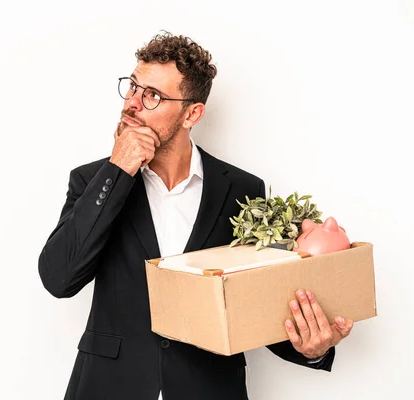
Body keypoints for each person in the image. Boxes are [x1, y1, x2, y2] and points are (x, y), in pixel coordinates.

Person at [38, 31, 354, 400]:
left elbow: (255, 307)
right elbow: (59, 279)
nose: (133, 104)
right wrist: (118, 169)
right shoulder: (94, 181)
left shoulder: (242, 190)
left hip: (209, 387)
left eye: (153, 95)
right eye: (133, 87)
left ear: (192, 113)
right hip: (110, 386)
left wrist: (311, 349)